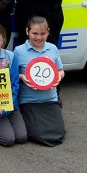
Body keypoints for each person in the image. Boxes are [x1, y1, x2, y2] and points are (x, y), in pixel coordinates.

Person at [14, 16, 65, 146]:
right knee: (36, 134)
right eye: (34, 33)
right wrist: (22, 77)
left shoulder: (52, 48)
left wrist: (58, 77)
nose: (38, 37)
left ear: (48, 32)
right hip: (29, 101)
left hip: (50, 99)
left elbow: (61, 70)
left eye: (43, 33)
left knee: (59, 133)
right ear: (27, 32)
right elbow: (13, 75)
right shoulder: (19, 51)